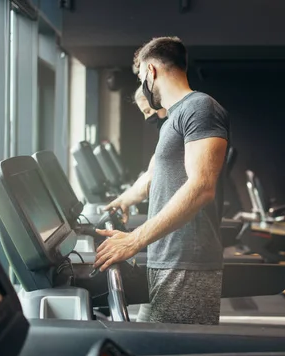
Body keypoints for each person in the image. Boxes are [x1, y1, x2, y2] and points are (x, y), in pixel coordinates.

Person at [93, 36, 230, 325]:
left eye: (142, 76)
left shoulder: (200, 107)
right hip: (165, 257)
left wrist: (135, 239)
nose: (143, 84)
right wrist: (125, 199)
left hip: (185, 263)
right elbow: (155, 173)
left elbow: (202, 187)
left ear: (151, 71)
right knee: (148, 346)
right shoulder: (174, 118)